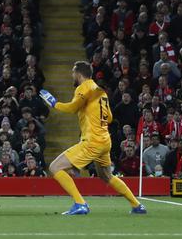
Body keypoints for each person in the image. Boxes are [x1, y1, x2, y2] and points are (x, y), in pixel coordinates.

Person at [40, 60, 146, 215]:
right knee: (106, 176)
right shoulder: (100, 92)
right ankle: (137, 205)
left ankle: (80, 203)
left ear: (78, 74)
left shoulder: (83, 88)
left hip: (92, 141)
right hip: (105, 140)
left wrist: (54, 103)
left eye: (73, 72)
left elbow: (72, 107)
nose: (72, 75)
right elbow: (109, 118)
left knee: (55, 167)